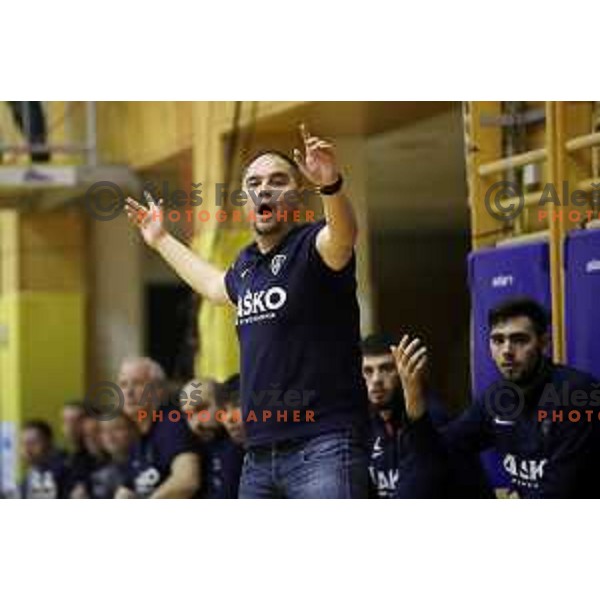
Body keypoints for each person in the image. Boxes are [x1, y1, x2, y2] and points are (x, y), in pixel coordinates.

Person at [125, 124, 369, 498]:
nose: (264, 189)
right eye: (254, 183)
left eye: (277, 180)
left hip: (323, 443)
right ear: (244, 201)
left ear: (298, 193)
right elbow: (210, 284)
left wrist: (330, 184)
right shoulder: (246, 265)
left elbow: (343, 235)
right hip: (258, 453)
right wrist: (160, 240)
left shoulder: (313, 245)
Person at [393, 296, 600, 499]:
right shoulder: (498, 398)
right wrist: (414, 399)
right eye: (498, 340)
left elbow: (560, 493)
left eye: (519, 340)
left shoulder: (579, 394)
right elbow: (437, 455)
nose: (507, 351)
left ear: (544, 343)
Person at [362, 333, 488, 498]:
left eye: (387, 368)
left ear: (404, 370)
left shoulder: (432, 418)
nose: (376, 379)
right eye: (368, 371)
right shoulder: (364, 425)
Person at [114, 357, 200, 499]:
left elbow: (187, 481)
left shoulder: (172, 424)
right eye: (123, 384)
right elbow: (125, 491)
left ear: (158, 390)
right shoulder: (138, 435)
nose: (128, 392)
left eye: (137, 383)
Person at [179, 377, 244, 498]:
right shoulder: (195, 447)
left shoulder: (243, 441)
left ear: (223, 403)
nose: (196, 423)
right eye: (189, 415)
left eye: (201, 409)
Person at [87, 412, 138, 499]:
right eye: (104, 431)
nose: (109, 436)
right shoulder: (100, 475)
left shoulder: (146, 461)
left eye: (116, 429)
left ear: (133, 431)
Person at [21, 420, 70, 499]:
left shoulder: (64, 471)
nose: (27, 449)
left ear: (49, 443)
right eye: (24, 443)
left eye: (33, 443)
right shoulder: (32, 473)